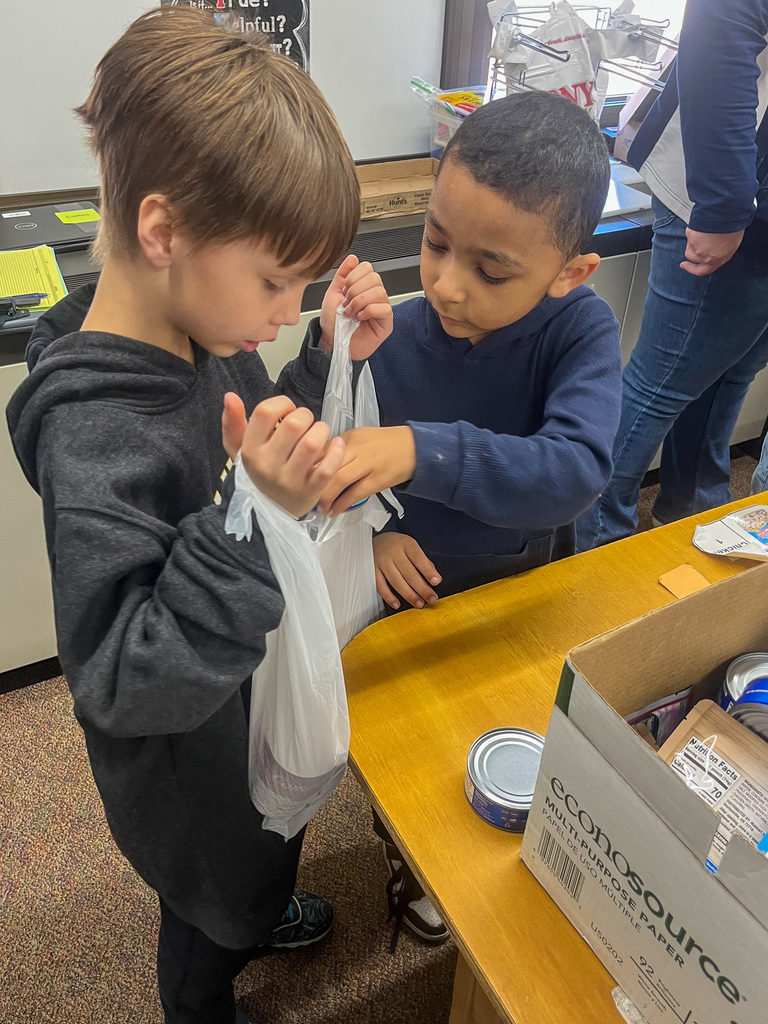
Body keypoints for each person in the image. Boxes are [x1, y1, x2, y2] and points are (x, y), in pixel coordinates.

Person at [5, 9, 392, 1024]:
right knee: (211, 911)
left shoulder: (202, 326)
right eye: (275, 281)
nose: (282, 303)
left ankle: (259, 908)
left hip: (242, 701)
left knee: (267, 842)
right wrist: (252, 509)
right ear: (164, 231)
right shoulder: (97, 441)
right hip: (186, 767)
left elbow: (252, 437)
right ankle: (211, 983)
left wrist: (323, 356)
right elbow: (125, 681)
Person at [315, 91, 622, 944]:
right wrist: (372, 530)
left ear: (570, 272)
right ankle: (404, 859)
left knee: (504, 746)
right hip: (405, 601)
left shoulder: (579, 334)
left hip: (516, 586)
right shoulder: (399, 335)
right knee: (411, 763)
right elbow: (326, 462)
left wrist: (420, 449)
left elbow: (576, 471)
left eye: (490, 271)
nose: (446, 286)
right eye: (434, 244)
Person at [578, 0, 768, 550]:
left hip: (745, 199)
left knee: (726, 376)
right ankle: (592, 541)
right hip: (733, 195)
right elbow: (721, 30)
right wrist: (725, 205)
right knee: (661, 384)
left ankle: (690, 516)